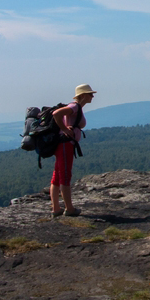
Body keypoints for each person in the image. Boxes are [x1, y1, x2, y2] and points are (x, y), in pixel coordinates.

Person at [49, 84, 95, 217]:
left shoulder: (76, 107)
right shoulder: (75, 106)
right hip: (66, 144)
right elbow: (56, 113)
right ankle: (69, 209)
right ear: (82, 95)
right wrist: (64, 129)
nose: (92, 96)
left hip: (63, 144)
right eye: (90, 94)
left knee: (57, 175)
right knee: (64, 175)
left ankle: (56, 208)